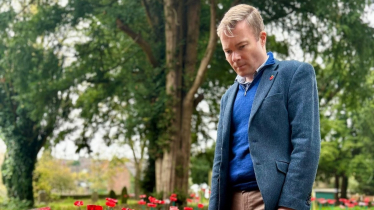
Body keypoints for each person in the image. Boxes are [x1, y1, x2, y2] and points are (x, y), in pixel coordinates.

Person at [209, 4, 321, 210]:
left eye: (242, 46)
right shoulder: (228, 96)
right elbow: (220, 160)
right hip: (230, 200)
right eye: (228, 51)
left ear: (261, 38)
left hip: (272, 200)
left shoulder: (294, 75)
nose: (235, 58)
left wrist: (290, 205)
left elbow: (306, 144)